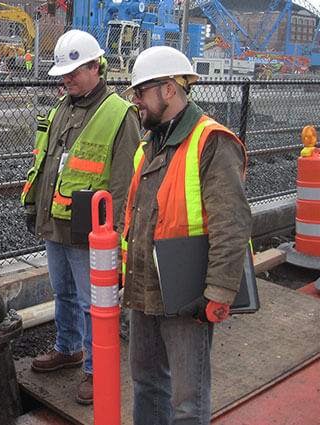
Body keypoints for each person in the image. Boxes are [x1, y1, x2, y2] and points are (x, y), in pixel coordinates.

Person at [119, 46, 251, 424]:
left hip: (188, 295)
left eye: (141, 92)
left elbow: (233, 222)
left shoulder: (211, 142)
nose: (136, 102)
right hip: (145, 288)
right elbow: (139, 216)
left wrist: (219, 292)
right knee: (146, 382)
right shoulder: (150, 144)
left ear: (169, 90)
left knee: (187, 400)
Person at [21, 29, 141, 405]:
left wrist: (116, 237)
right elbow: (47, 164)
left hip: (92, 232)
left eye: (74, 73)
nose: (68, 80)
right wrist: (33, 207)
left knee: (95, 304)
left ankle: (96, 369)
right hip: (57, 221)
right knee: (65, 293)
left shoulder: (119, 115)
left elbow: (125, 184)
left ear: (95, 67)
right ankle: (68, 348)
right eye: (64, 75)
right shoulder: (63, 108)